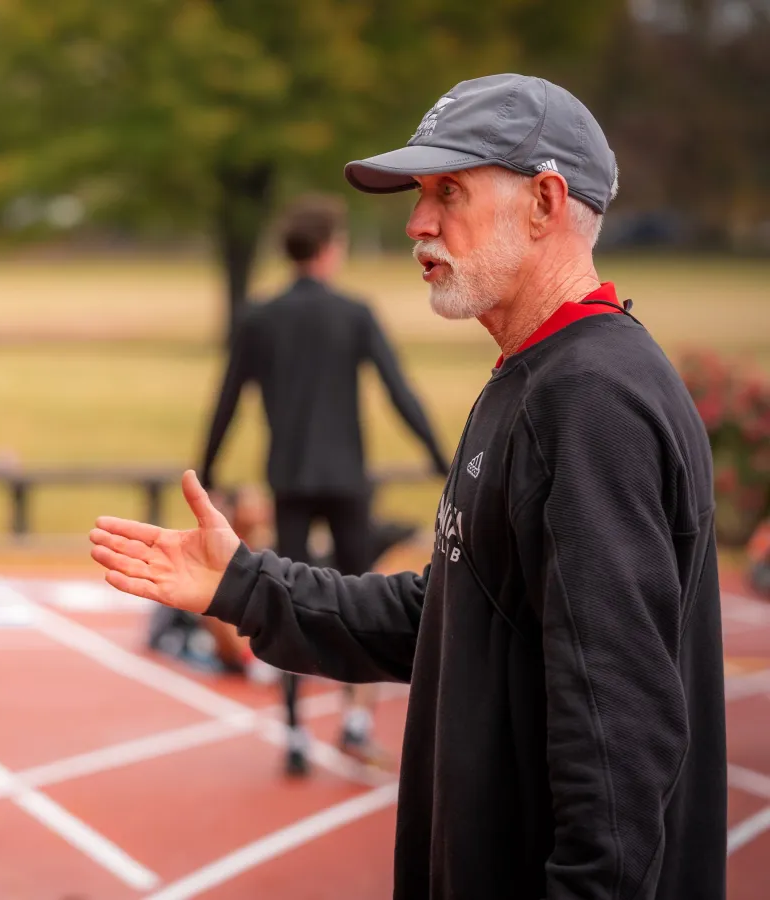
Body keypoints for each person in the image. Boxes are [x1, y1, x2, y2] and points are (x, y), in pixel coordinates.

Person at [91, 74, 725, 900]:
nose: (417, 222)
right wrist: (243, 584)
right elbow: (451, 617)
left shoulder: (590, 400)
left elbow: (621, 740)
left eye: (449, 191)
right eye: (420, 194)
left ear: (545, 202)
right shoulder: (534, 379)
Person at [199, 194, 448, 776]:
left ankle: (291, 732)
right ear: (330, 248)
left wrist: (207, 470)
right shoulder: (354, 312)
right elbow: (398, 390)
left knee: (284, 596)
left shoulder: (260, 316)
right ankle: (354, 723)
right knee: (359, 599)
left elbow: (228, 399)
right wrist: (441, 457)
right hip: (346, 480)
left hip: (290, 479)